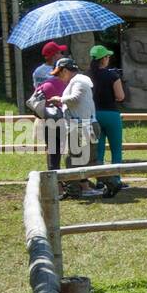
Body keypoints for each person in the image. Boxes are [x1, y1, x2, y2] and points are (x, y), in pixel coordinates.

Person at [45, 58, 103, 200]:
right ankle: (104, 184)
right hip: (86, 125)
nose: (59, 78)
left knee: (74, 160)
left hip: (81, 126)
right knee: (88, 160)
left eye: (59, 74)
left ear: (65, 70)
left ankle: (73, 190)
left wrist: (59, 99)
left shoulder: (78, 81)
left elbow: (75, 98)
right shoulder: (80, 80)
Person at [89, 44, 127, 196]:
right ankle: (116, 179)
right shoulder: (112, 76)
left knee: (99, 150)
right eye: (107, 56)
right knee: (116, 149)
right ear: (103, 59)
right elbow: (120, 96)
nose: (109, 58)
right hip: (111, 114)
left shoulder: (86, 75)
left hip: (94, 115)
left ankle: (100, 179)